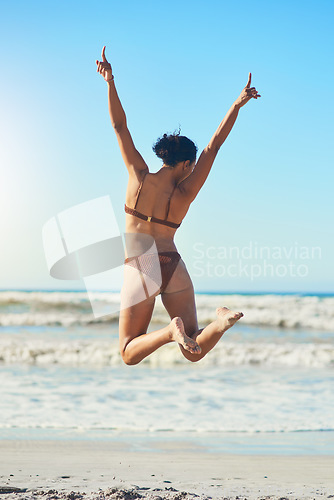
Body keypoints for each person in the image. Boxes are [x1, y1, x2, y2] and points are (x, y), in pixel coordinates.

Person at [96, 46, 261, 366]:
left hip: (142, 263)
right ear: (186, 162)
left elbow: (119, 128)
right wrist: (236, 105)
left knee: (129, 352)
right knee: (194, 348)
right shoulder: (185, 192)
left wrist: (110, 82)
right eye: (192, 163)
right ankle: (220, 321)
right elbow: (214, 146)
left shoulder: (139, 177)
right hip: (173, 263)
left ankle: (170, 332)